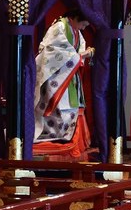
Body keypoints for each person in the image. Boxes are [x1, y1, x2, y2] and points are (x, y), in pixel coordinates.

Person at [33, 8, 94, 157]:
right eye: (85, 23)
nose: (85, 27)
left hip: (68, 75)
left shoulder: (76, 31)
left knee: (71, 110)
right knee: (59, 112)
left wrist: (82, 56)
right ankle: (54, 140)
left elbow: (74, 52)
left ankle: (67, 140)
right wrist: (83, 55)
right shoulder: (59, 27)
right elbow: (53, 51)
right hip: (56, 75)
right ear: (77, 16)